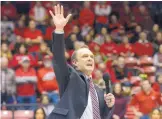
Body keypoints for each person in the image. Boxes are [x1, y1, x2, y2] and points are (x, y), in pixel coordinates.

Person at [48, 4, 115, 119]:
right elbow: (59, 59)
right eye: (84, 56)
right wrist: (59, 30)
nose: (89, 59)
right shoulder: (70, 78)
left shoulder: (98, 91)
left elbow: (101, 116)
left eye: (91, 57)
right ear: (75, 63)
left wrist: (109, 106)